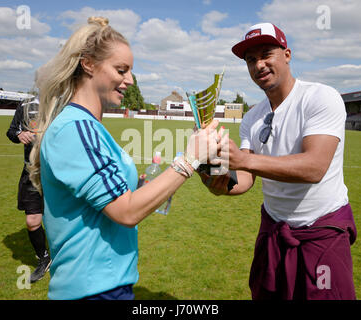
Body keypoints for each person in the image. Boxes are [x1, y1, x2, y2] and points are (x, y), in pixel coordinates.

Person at [27, 16, 220, 300]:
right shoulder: (75, 129)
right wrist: (188, 160)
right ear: (88, 64)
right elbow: (126, 211)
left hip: (107, 285)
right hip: (92, 289)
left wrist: (148, 184)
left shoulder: (88, 127)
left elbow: (119, 201)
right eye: (121, 70)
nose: (129, 80)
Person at [201, 23, 357, 300]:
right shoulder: (252, 117)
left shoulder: (321, 97)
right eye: (251, 60)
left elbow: (314, 168)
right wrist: (218, 181)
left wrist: (241, 159)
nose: (259, 64)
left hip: (320, 232)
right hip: (273, 228)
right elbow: (246, 177)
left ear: (287, 54)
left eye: (266, 54)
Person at [6, 98, 51, 283]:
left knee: (60, 218)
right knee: (33, 221)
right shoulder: (26, 105)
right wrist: (19, 134)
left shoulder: (65, 102)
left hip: (56, 173)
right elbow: (11, 131)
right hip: (31, 172)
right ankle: (44, 258)